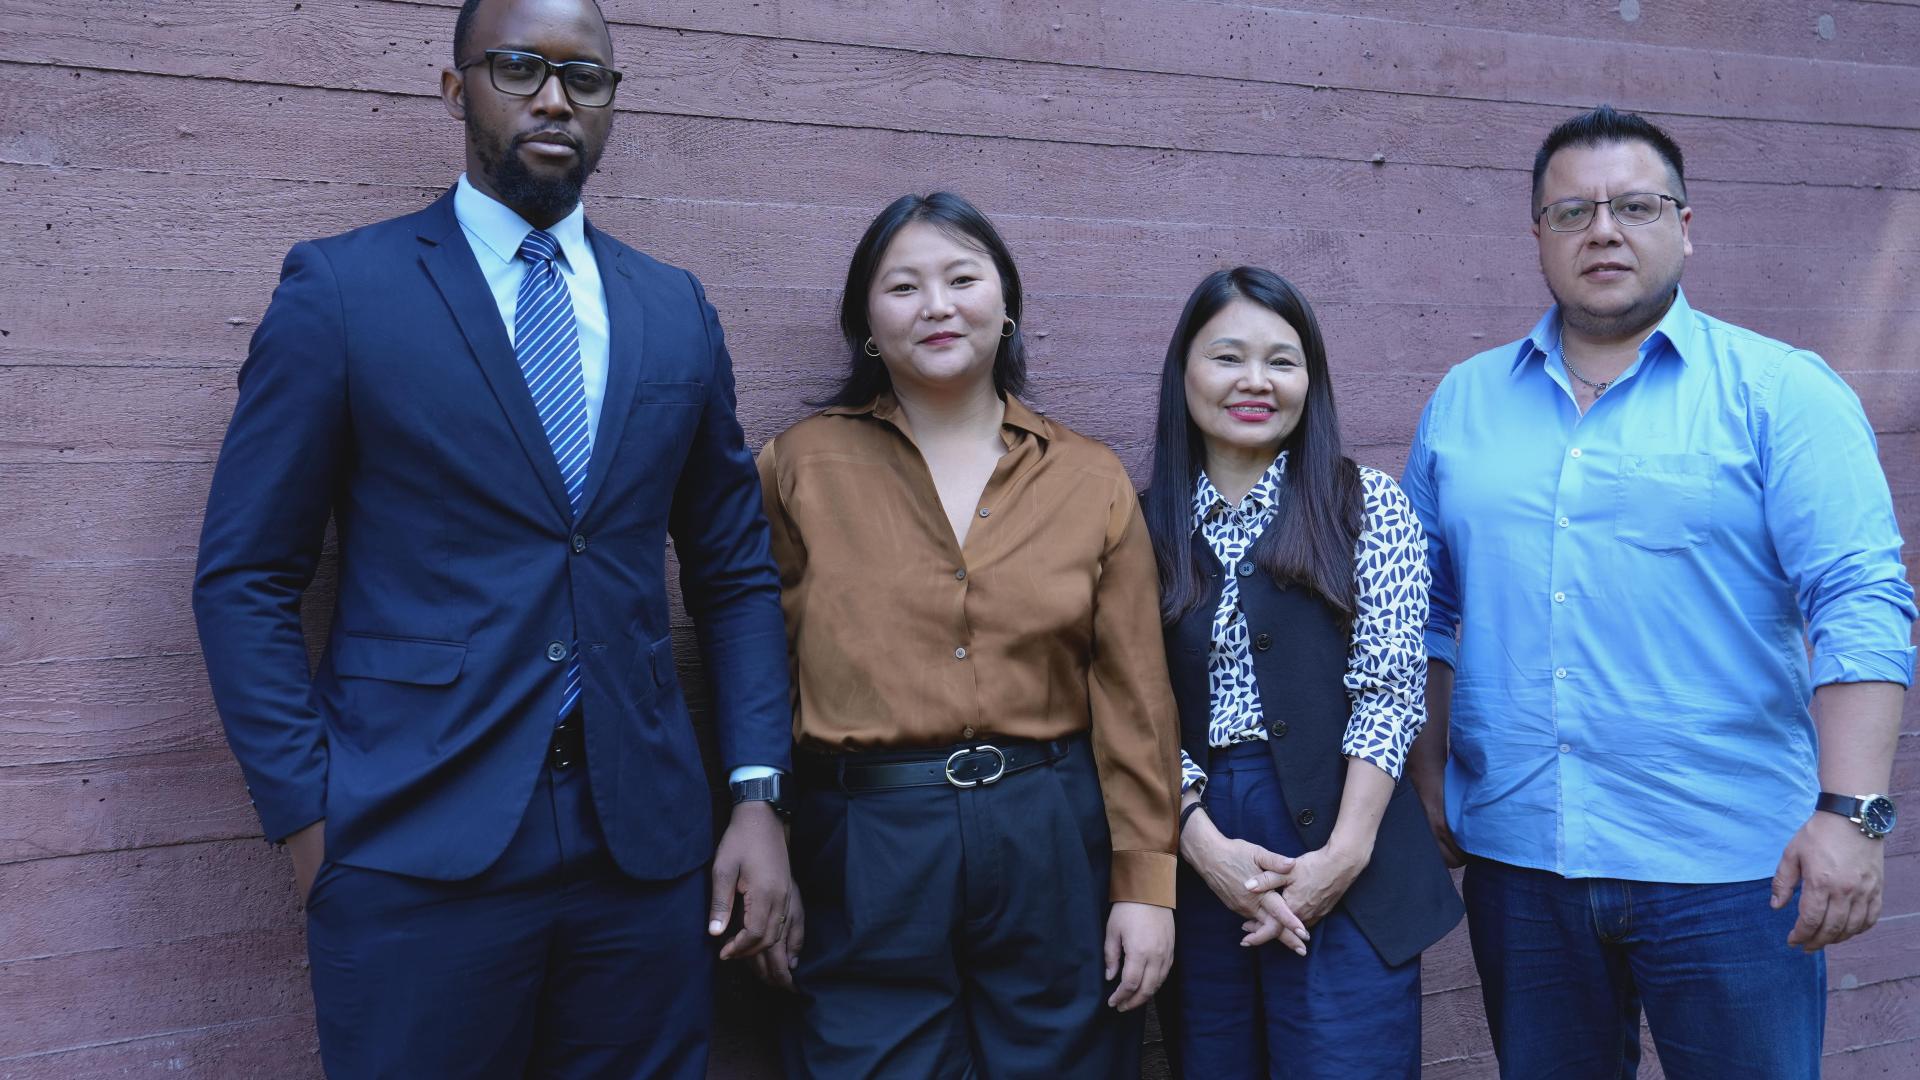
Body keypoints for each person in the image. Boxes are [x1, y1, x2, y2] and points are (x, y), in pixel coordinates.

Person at [190, 0, 795, 1074]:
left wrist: (755, 796)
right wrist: (306, 819)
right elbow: (245, 575)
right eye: (518, 67)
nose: (554, 97)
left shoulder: (673, 309)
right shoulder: (343, 291)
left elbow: (736, 577)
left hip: (642, 851)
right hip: (410, 841)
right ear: (455, 85)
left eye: (585, 77)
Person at [1402, 105, 1916, 1078]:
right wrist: (1428, 775)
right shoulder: (1462, 403)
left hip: (1731, 871)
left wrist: (1854, 813)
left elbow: (1859, 598)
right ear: (1539, 236)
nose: (1603, 229)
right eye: (1572, 212)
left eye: (1635, 205)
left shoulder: (1781, 392)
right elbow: (1425, 610)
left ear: (1685, 224)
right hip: (1523, 864)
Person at [751, 192, 1181, 1078]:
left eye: (961, 278)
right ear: (867, 323)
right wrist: (766, 836)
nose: (937, 306)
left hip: (1050, 832)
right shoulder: (798, 467)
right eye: (903, 286)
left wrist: (1147, 887)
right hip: (865, 840)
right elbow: (760, 670)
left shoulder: (1088, 478)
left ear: (1006, 302)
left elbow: (1135, 698)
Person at [1142, 267, 1462, 1077]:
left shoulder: (1369, 504)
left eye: (1282, 361)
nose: (1255, 382)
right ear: (1184, 371)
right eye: (1227, 357)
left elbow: (1391, 689)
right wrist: (1203, 846)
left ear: (1310, 379)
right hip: (1200, 848)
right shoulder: (1137, 525)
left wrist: (1342, 858)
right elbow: (1126, 706)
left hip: (1352, 836)